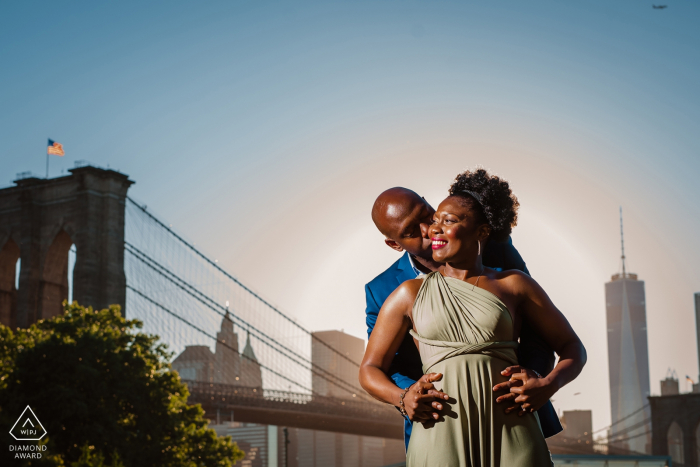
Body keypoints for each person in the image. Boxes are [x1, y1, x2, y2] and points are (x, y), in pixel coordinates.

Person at [360, 169, 586, 466]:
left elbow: (540, 332)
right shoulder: (393, 292)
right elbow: (379, 367)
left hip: (513, 416)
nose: (430, 228)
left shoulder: (504, 265)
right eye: (412, 230)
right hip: (440, 424)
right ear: (395, 244)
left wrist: (539, 382)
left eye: (431, 214)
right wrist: (405, 397)